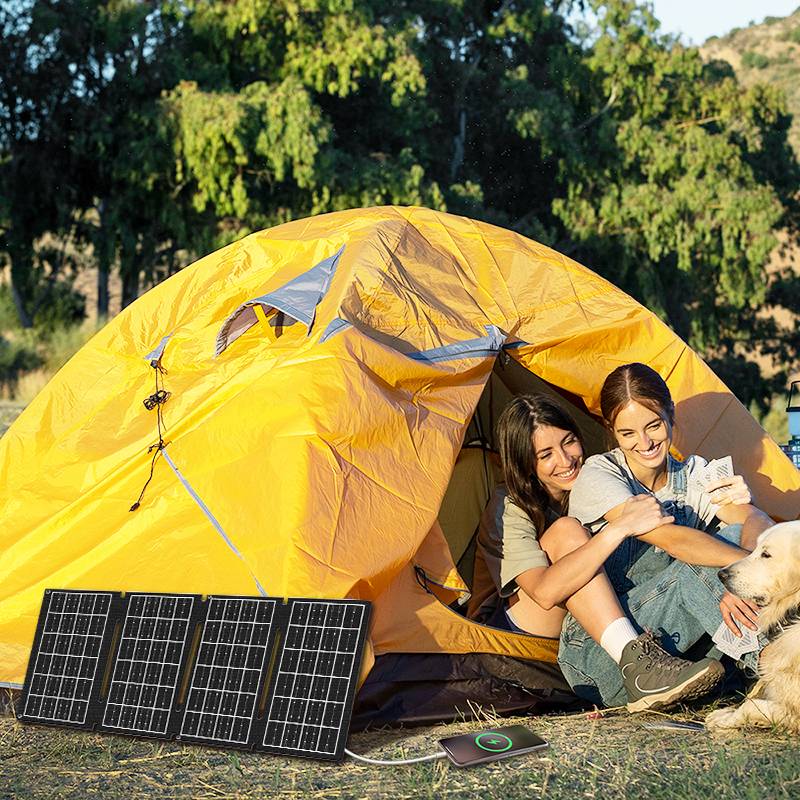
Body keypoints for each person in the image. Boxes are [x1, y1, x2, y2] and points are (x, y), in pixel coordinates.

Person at [470, 394, 725, 712]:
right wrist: (620, 528)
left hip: (584, 630)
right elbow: (545, 592)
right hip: (514, 641)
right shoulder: (508, 505)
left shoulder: (594, 482)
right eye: (545, 454)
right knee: (567, 531)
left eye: (568, 442)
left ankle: (655, 661)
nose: (565, 461)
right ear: (525, 463)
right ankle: (638, 667)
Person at [559, 362, 774, 707]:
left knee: (734, 535)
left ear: (670, 414)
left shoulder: (696, 474)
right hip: (603, 657)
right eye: (627, 433)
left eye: (654, 425)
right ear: (611, 430)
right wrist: (743, 573)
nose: (644, 442)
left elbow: (755, 518)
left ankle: (755, 666)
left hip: (675, 649)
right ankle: (776, 667)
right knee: (700, 561)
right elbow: (671, 540)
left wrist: (747, 568)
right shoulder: (599, 474)